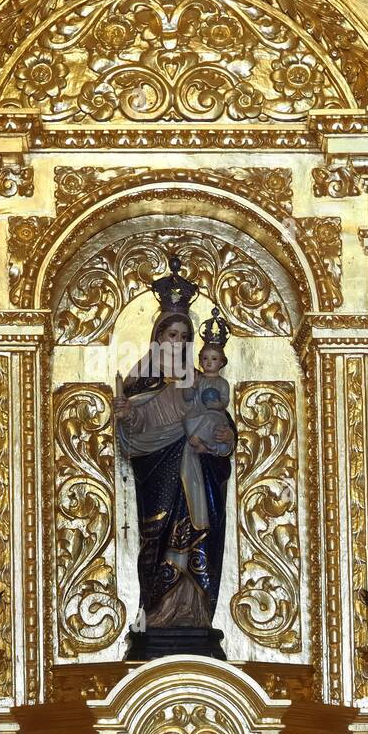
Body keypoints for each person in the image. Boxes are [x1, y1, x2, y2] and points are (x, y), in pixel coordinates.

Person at [111, 260, 234, 630]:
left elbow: (218, 420)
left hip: (196, 468)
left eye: (183, 336)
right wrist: (126, 413)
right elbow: (132, 428)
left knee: (198, 533)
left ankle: (193, 613)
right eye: (171, 335)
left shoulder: (200, 379)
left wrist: (225, 438)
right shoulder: (141, 376)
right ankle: (158, 612)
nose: (177, 341)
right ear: (157, 337)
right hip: (157, 469)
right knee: (158, 536)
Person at [185, 341, 232, 457]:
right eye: (205, 358)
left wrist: (219, 405)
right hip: (198, 413)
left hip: (215, 415)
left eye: (214, 359)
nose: (209, 362)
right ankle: (202, 444)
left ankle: (200, 440)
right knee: (187, 418)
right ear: (200, 362)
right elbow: (187, 397)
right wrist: (192, 386)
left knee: (210, 420)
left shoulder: (222, 383)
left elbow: (225, 400)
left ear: (221, 363)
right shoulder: (198, 380)